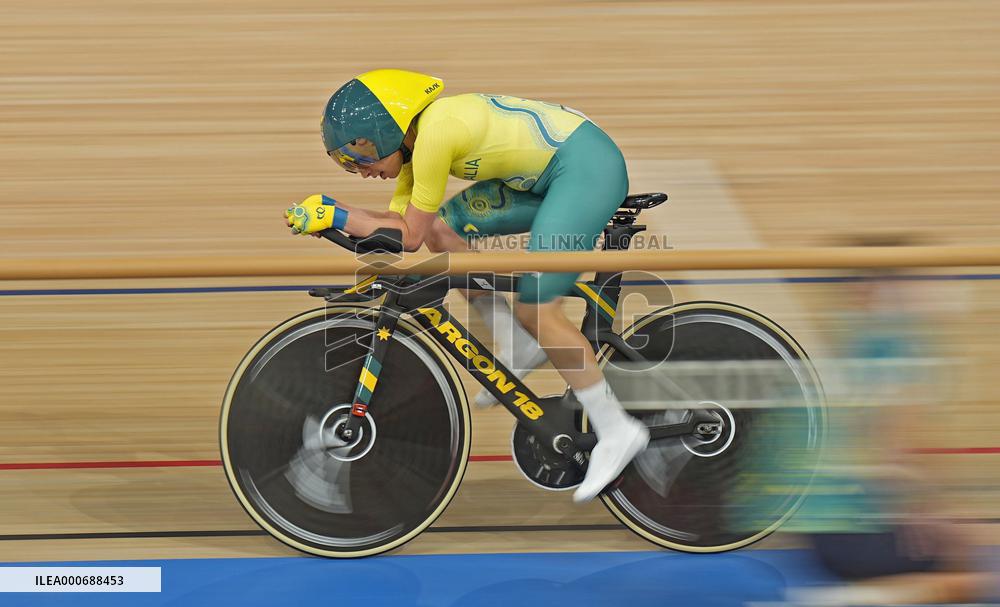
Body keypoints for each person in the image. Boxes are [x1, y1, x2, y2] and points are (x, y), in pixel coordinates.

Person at [284, 68, 648, 502]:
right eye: (346, 163)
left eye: (360, 156)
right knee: (444, 230)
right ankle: (514, 338)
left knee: (537, 308)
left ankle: (617, 429)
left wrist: (339, 216)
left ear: (387, 132)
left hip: (585, 170)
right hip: (550, 175)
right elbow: (406, 229)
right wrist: (335, 209)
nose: (360, 171)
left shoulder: (437, 134)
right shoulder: (415, 149)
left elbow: (408, 236)